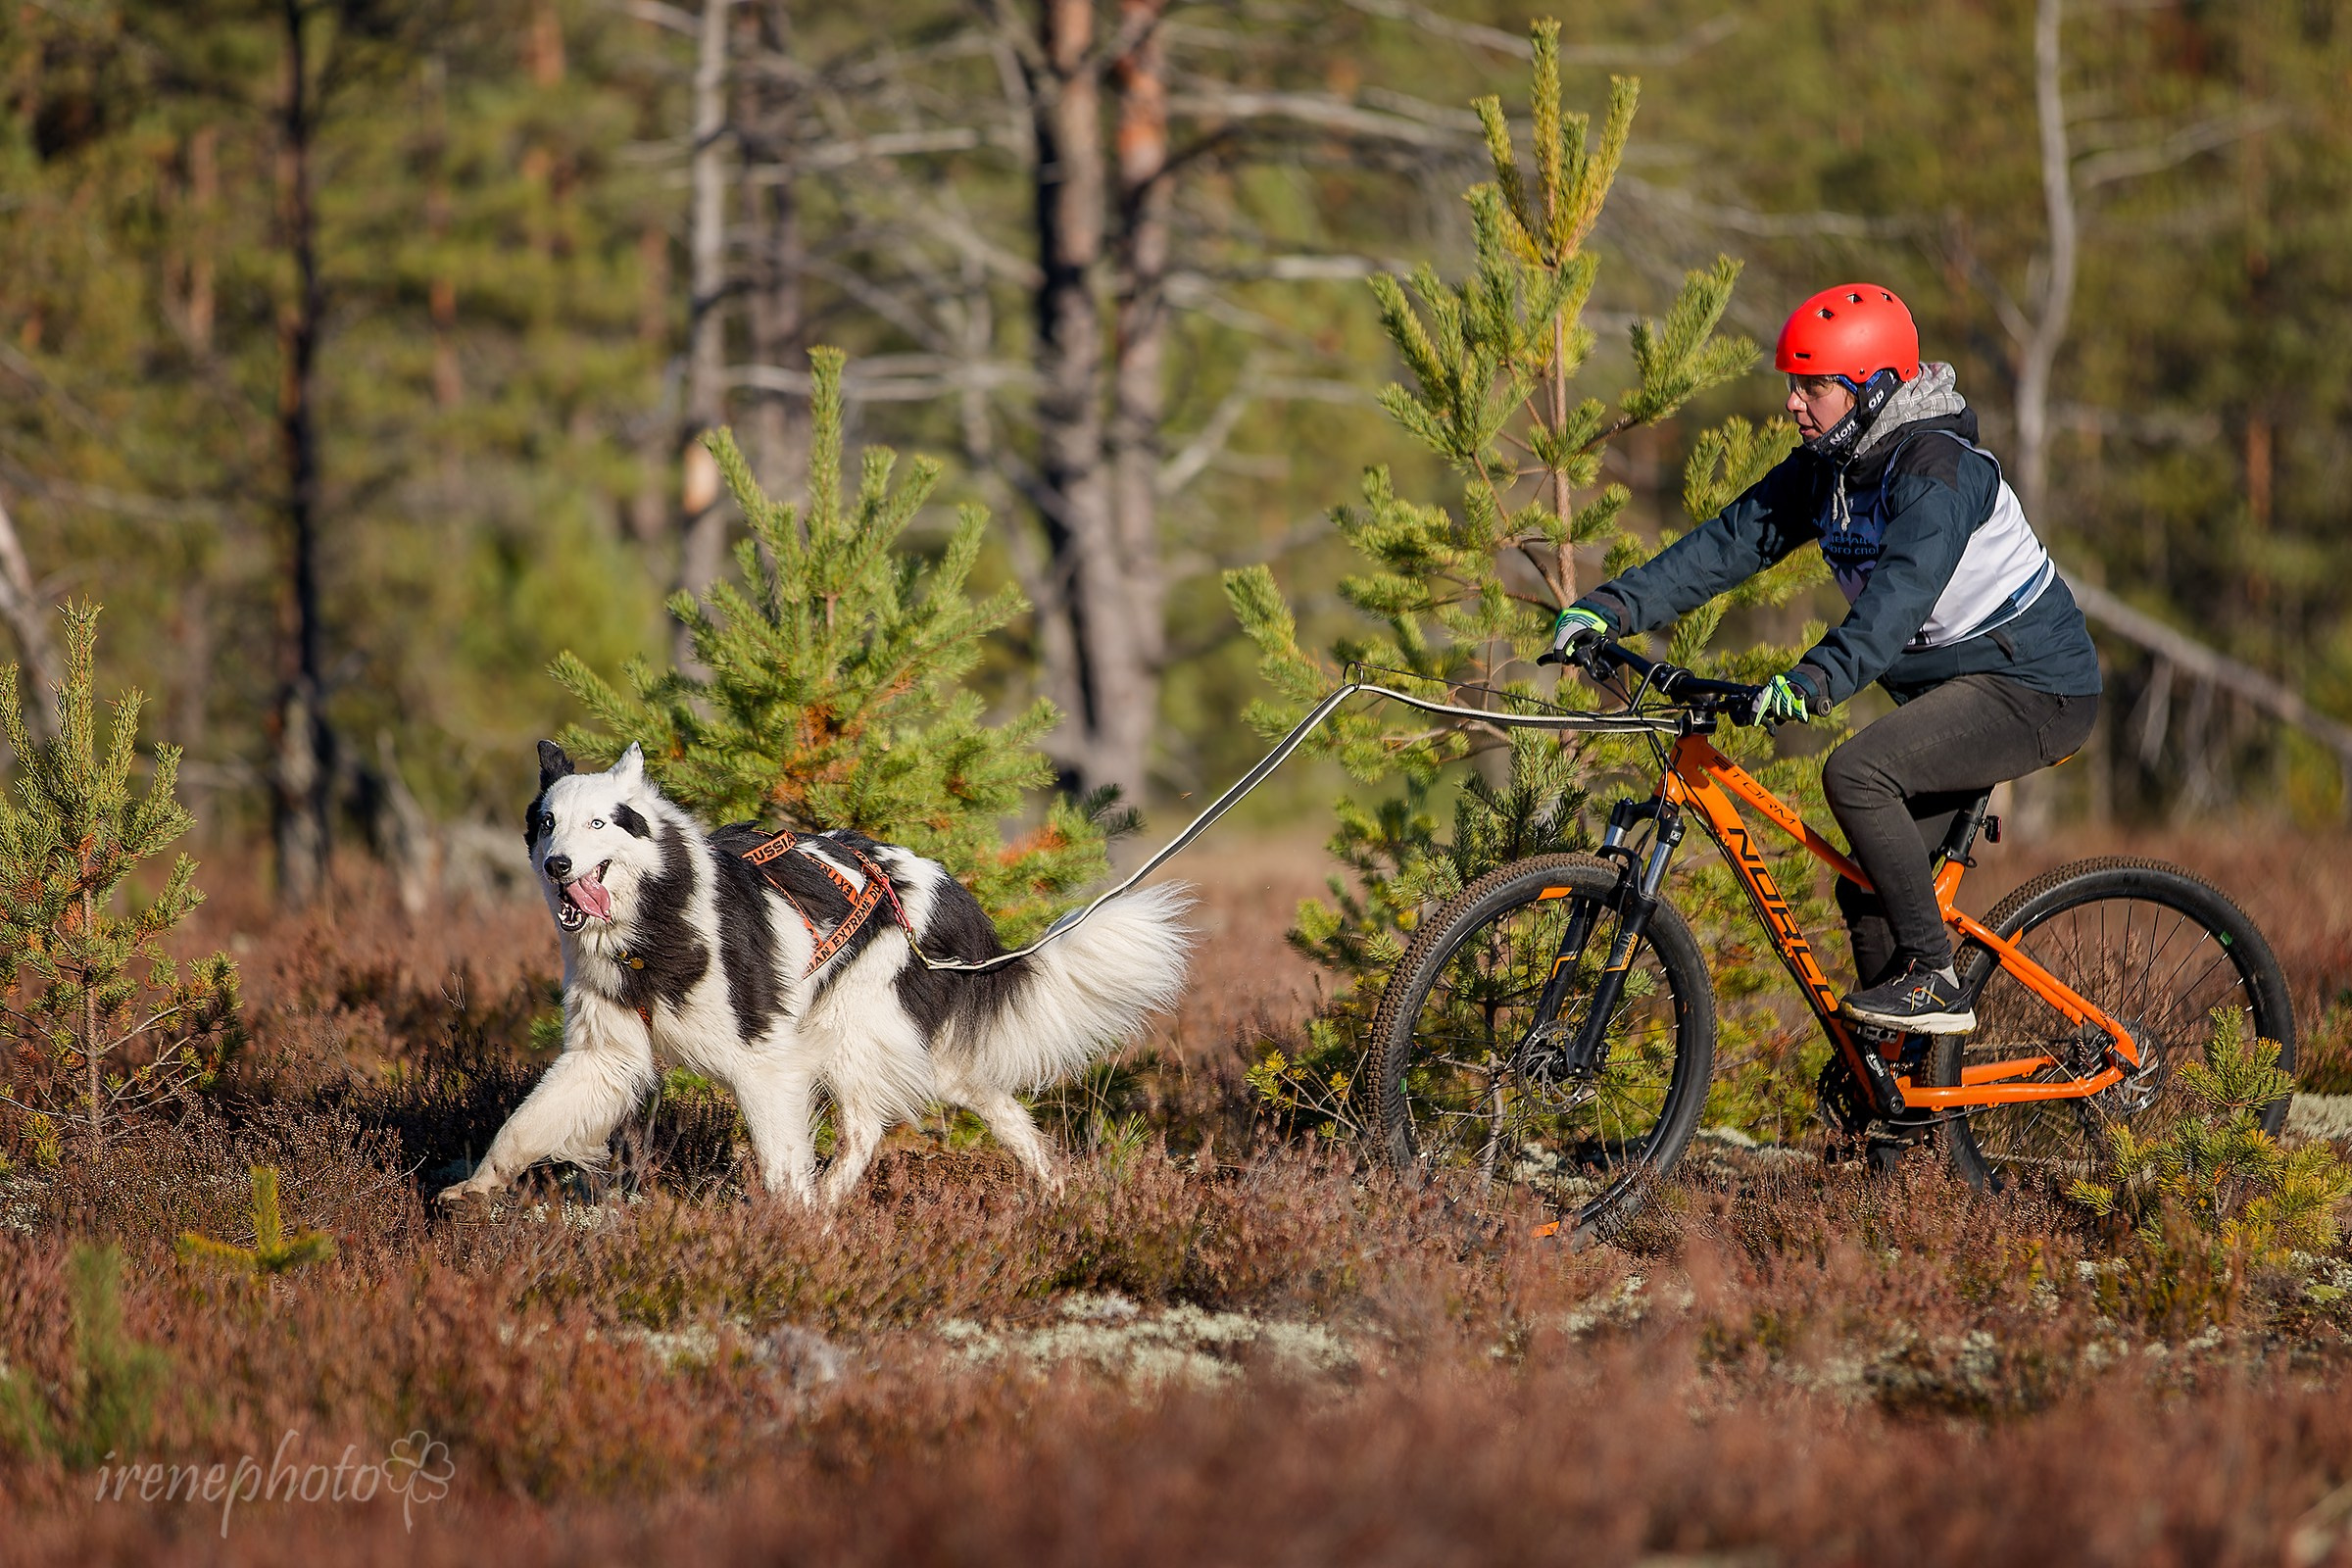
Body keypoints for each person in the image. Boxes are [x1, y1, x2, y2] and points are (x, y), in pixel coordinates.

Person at [1548, 282, 2102, 1037]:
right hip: (1956, 684)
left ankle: (1935, 979)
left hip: (2034, 686)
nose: (1793, 403)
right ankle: (1894, 1089)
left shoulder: (1937, 472)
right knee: (1869, 892)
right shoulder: (1828, 467)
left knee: (1857, 773)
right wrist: (1610, 608)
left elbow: (1897, 599)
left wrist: (1814, 678)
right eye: (1793, 384)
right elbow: (1725, 546)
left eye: (1814, 386)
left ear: (1873, 390)